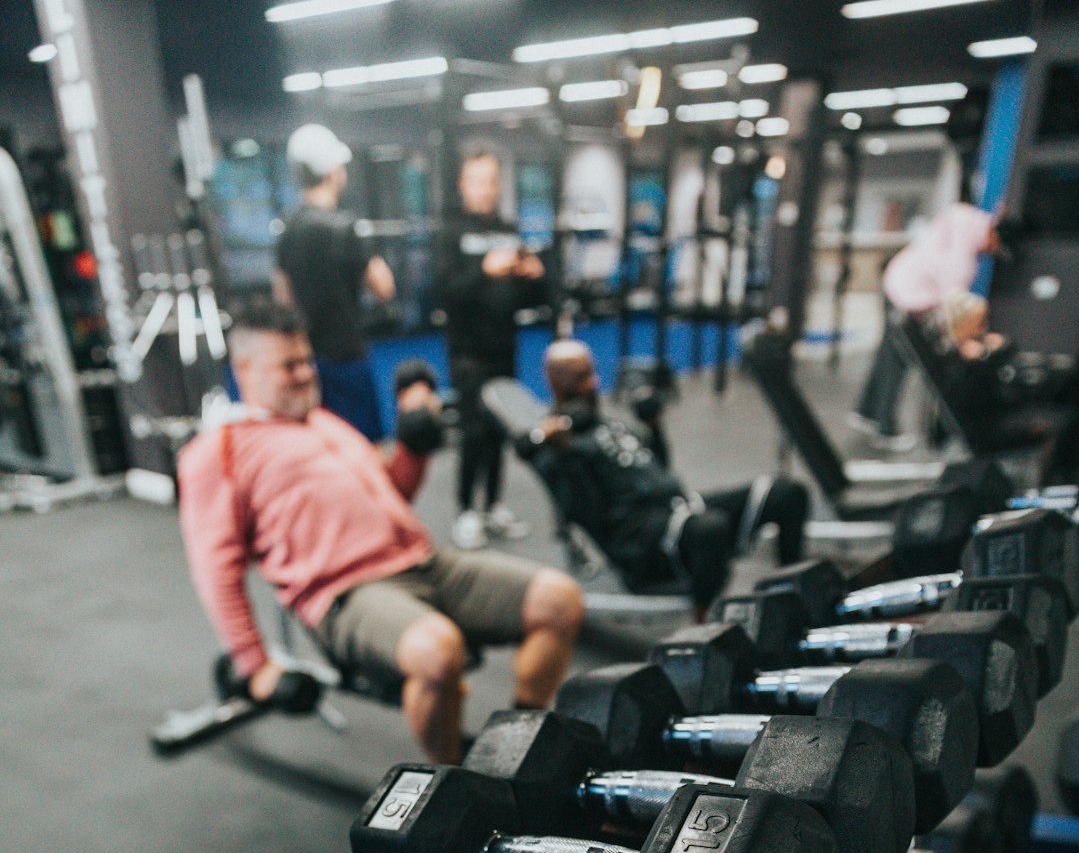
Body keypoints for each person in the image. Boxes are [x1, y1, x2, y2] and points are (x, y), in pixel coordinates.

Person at [176, 302, 584, 765]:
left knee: (559, 599)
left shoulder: (326, 422)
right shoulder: (219, 451)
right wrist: (256, 668)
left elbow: (393, 493)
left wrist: (414, 447)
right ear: (245, 369)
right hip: (343, 594)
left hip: (424, 562)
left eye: (307, 361)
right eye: (288, 365)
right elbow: (215, 570)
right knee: (438, 651)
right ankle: (451, 782)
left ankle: (516, 748)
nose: (306, 374)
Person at [517, 340, 809, 611]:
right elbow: (585, 512)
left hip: (679, 510)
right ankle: (705, 627)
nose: (592, 382)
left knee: (787, 494)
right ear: (553, 381)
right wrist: (567, 455)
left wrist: (653, 426)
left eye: (591, 373)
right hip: (640, 542)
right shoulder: (553, 449)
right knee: (710, 528)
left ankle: (790, 600)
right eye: (578, 377)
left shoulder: (607, 424)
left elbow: (656, 468)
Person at [440, 148, 549, 549]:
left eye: (492, 182)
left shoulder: (508, 229)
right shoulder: (451, 232)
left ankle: (494, 505)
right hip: (468, 351)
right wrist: (483, 269)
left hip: (504, 346)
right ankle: (466, 510)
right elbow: (446, 291)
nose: (485, 190)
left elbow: (526, 298)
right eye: (477, 181)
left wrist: (534, 276)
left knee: (501, 429)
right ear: (463, 185)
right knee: (473, 432)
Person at [274, 123, 396, 442]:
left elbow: (282, 298)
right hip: (347, 355)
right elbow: (384, 288)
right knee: (364, 449)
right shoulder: (344, 228)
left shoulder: (288, 229)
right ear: (332, 171)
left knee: (322, 446)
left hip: (307, 360)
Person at [851, 203, 1009, 449]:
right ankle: (884, 426)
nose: (993, 251)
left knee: (888, 356)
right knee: (898, 360)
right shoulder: (961, 261)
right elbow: (952, 308)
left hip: (897, 282)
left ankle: (866, 413)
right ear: (991, 233)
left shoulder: (966, 220)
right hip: (905, 296)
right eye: (996, 244)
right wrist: (966, 342)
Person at [933, 291, 1079, 483]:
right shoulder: (966, 357)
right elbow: (973, 397)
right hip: (986, 426)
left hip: (1002, 412)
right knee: (1060, 425)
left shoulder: (980, 349)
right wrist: (990, 355)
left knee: (1065, 415)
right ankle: (1048, 481)